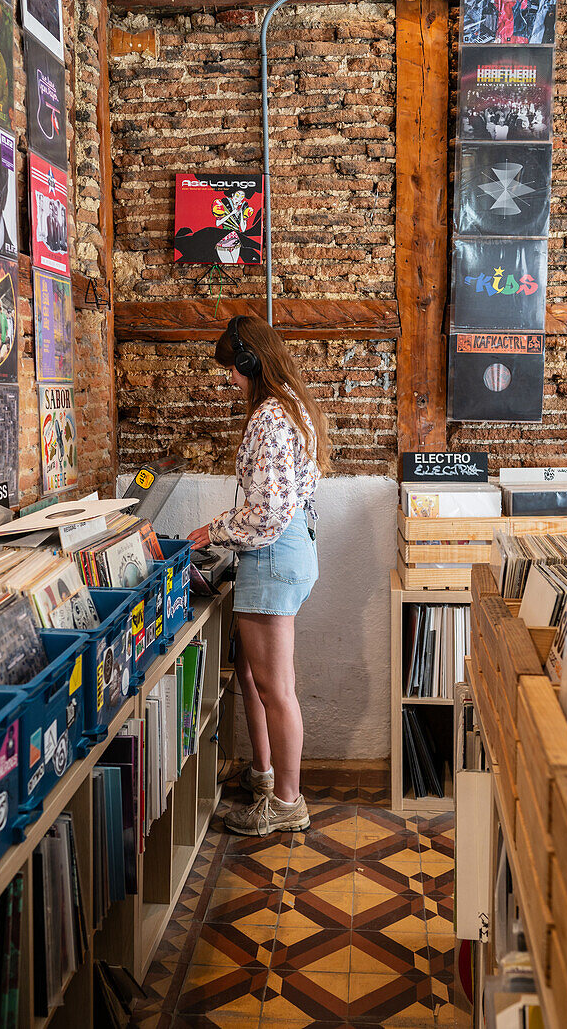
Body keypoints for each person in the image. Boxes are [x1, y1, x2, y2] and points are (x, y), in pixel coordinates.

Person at [187, 316, 330, 837]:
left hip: (271, 556)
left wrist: (210, 531)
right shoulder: (293, 406)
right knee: (252, 676)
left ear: (250, 362)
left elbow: (266, 513)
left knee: (277, 689)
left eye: (231, 369)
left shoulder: (270, 418)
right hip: (284, 554)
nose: (229, 379)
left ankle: (288, 803)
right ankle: (264, 776)